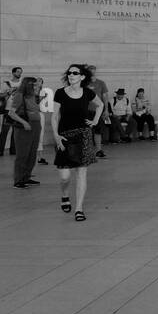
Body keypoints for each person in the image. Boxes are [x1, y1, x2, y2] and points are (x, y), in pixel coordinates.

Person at [46, 64, 103, 221]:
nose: (71, 75)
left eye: (75, 73)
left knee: (81, 173)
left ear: (82, 77)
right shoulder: (60, 93)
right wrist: (56, 136)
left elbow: (100, 105)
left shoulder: (88, 92)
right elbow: (55, 116)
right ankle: (65, 195)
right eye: (69, 73)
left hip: (83, 135)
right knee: (64, 176)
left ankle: (79, 208)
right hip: (64, 136)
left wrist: (95, 120)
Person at [4, 76, 43, 189]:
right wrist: (24, 123)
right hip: (24, 127)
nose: (37, 86)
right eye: (34, 85)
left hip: (35, 125)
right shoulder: (19, 95)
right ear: (28, 85)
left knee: (32, 153)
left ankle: (26, 177)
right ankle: (18, 180)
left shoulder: (32, 96)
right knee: (23, 154)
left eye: (37, 85)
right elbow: (11, 113)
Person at [0, 66, 24, 158]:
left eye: (21, 72)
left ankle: (13, 150)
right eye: (18, 72)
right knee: (4, 131)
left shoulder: (22, 84)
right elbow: (0, 95)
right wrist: (8, 92)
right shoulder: (6, 84)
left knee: (16, 131)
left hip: (18, 110)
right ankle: (0, 151)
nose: (20, 74)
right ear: (13, 73)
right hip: (8, 109)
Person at [87, 65, 111, 155]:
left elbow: (105, 97)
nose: (92, 73)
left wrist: (106, 110)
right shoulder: (84, 83)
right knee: (87, 131)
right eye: (90, 71)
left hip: (98, 111)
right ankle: (87, 150)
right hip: (86, 111)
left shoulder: (101, 83)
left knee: (98, 131)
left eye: (94, 71)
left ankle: (98, 150)